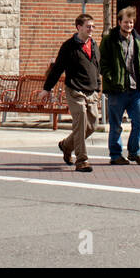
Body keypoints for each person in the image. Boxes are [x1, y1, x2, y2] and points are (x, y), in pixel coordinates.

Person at [44, 13, 101, 172]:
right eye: (88, 26)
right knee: (80, 122)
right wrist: (47, 88)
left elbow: (97, 68)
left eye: (93, 26)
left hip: (91, 91)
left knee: (93, 125)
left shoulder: (94, 45)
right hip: (75, 90)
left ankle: (66, 145)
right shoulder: (68, 46)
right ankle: (82, 160)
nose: (91, 29)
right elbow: (57, 69)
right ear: (79, 27)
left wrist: (97, 87)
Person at [100, 6, 140, 165]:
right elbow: (102, 62)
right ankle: (115, 155)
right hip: (117, 90)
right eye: (126, 22)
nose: (129, 25)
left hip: (136, 90)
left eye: (131, 22)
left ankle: (134, 151)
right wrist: (111, 79)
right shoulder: (109, 40)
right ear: (119, 22)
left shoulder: (138, 41)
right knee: (116, 125)